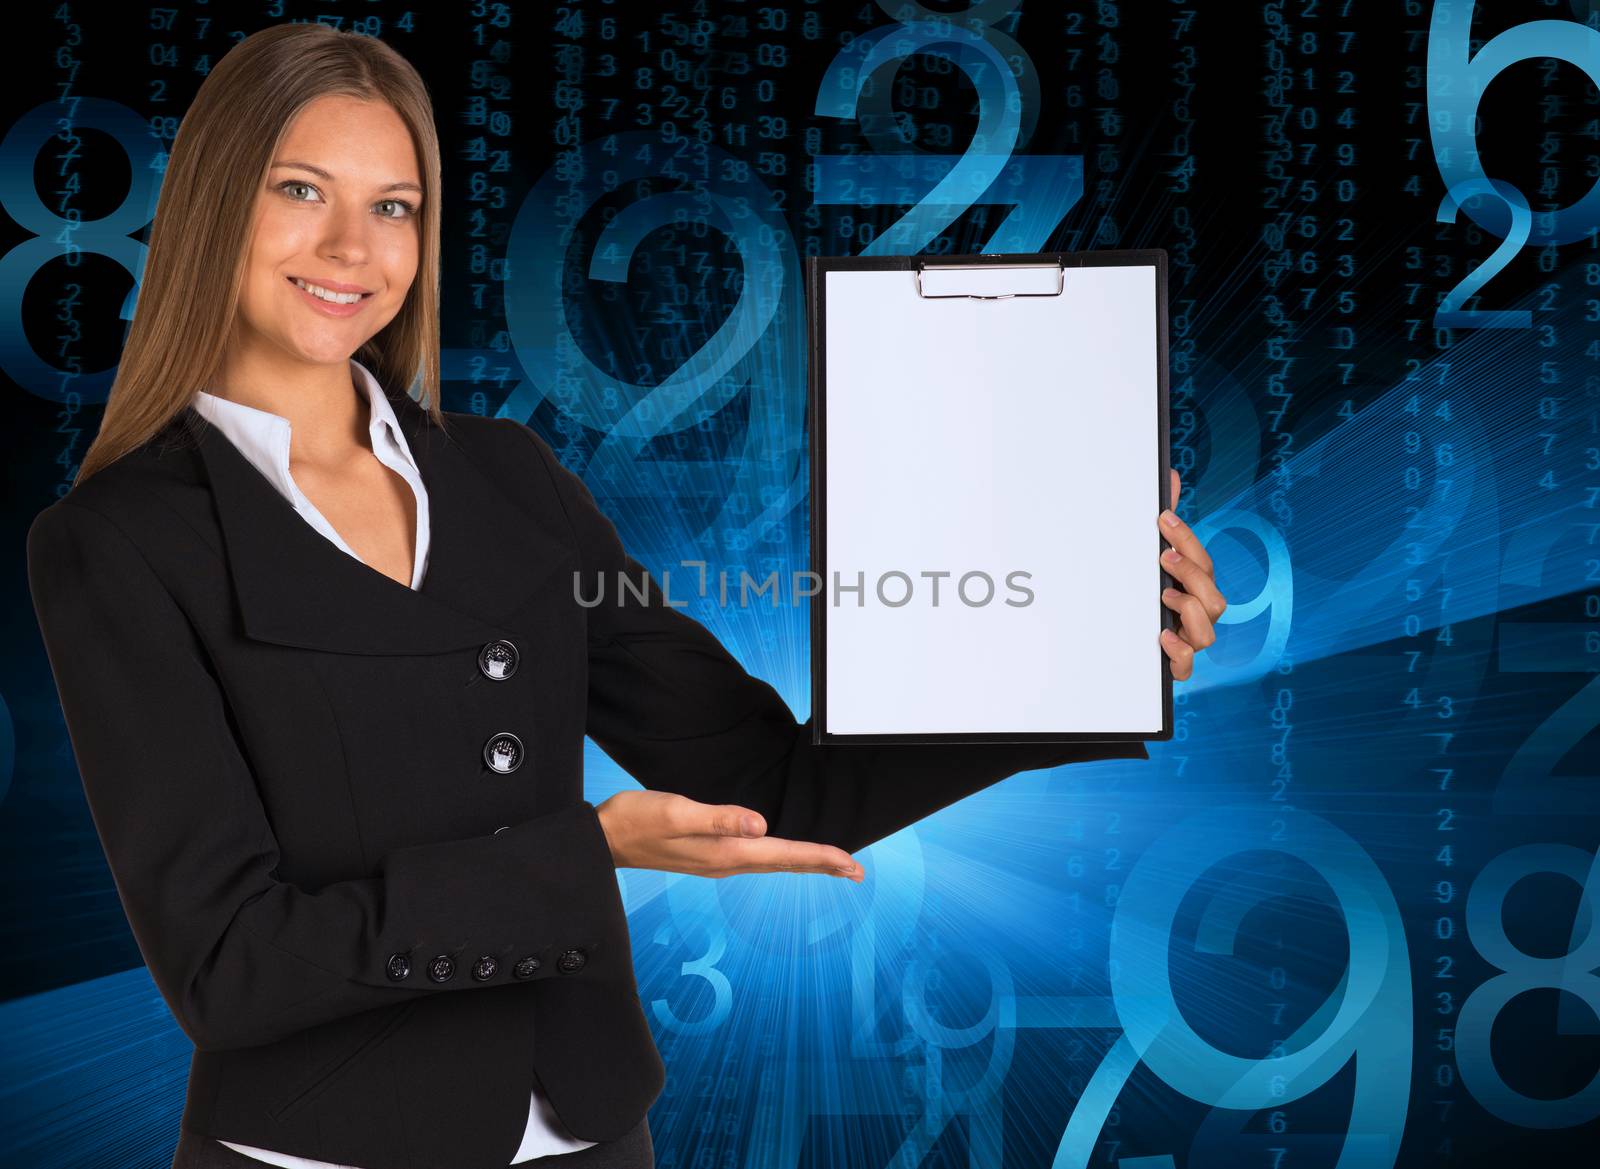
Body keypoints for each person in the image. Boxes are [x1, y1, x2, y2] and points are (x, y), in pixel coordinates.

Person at [23, 23, 1226, 1169]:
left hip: (593, 1134)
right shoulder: (120, 542)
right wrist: (583, 855)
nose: (353, 248)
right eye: (300, 190)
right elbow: (228, 965)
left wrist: (1090, 658)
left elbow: (770, 783)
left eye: (393, 206)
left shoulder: (506, 477)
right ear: (210, 208)